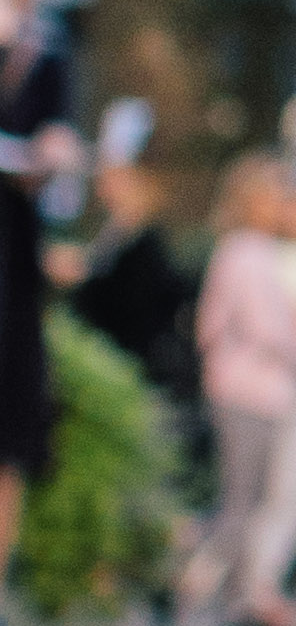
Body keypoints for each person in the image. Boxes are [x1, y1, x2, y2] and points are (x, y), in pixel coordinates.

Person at [190, 148, 296, 626]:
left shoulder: (257, 253)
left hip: (266, 393)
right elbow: (265, 328)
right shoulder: (243, 253)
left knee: (259, 497)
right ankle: (188, 578)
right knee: (246, 498)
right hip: (248, 390)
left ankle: (241, 595)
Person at [0, 0, 82, 626]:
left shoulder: (42, 46)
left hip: (11, 257)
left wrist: (54, 155)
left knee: (9, 434)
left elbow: (59, 133)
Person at [66, 104, 204, 453]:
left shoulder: (144, 241)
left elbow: (143, 302)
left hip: (133, 368)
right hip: (111, 365)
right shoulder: (111, 235)